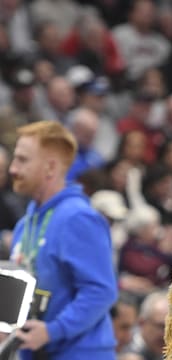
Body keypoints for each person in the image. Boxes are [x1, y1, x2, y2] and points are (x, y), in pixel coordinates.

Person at [9, 120, 118, 360]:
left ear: (50, 167)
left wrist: (53, 331)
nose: (12, 169)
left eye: (22, 160)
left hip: (80, 354)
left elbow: (101, 290)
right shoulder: (24, 225)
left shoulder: (78, 218)